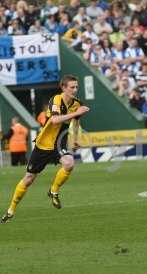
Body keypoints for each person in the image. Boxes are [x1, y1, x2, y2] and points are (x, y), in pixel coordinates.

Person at [1, 75, 90, 224]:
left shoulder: (77, 104)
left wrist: (74, 140)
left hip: (58, 144)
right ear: (63, 87)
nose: (75, 90)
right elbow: (55, 120)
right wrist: (77, 112)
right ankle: (11, 211)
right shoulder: (55, 100)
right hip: (43, 144)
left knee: (69, 163)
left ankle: (53, 191)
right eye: (72, 87)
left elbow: (75, 122)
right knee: (28, 179)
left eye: (76, 87)